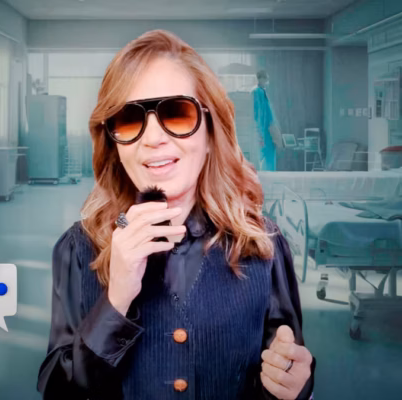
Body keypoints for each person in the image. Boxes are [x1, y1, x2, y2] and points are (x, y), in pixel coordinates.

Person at [37, 30, 315, 400]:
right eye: (129, 119)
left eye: (177, 113)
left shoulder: (265, 245)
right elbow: (59, 391)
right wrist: (116, 299)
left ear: (211, 132)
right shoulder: (76, 249)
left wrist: (294, 385)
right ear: (114, 143)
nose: (153, 139)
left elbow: (285, 370)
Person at [252, 70, 283, 171]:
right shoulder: (258, 92)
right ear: (260, 79)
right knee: (266, 154)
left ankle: (269, 173)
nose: (267, 82)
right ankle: (267, 174)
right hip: (265, 129)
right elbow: (260, 113)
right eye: (265, 79)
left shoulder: (262, 92)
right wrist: (260, 131)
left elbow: (267, 112)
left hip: (268, 128)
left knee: (269, 152)